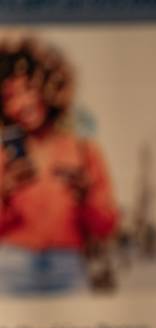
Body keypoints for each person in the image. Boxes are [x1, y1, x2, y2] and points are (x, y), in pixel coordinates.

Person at [0, 38, 118, 293]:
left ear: (49, 87)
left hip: (69, 267)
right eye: (10, 96)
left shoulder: (84, 151)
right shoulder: (3, 156)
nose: (22, 103)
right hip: (11, 266)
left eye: (29, 89)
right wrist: (5, 193)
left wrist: (86, 196)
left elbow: (106, 225)